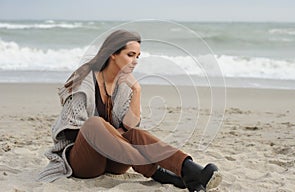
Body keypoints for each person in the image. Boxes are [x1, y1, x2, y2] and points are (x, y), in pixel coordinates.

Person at [38, 29, 222, 191]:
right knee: (94, 124)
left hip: (115, 162)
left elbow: (129, 126)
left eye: (138, 56)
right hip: (84, 163)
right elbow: (71, 132)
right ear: (113, 54)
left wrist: (137, 91)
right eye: (130, 54)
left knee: (136, 133)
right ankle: (158, 173)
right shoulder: (84, 80)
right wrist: (109, 134)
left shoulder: (126, 84)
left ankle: (189, 169)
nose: (135, 61)